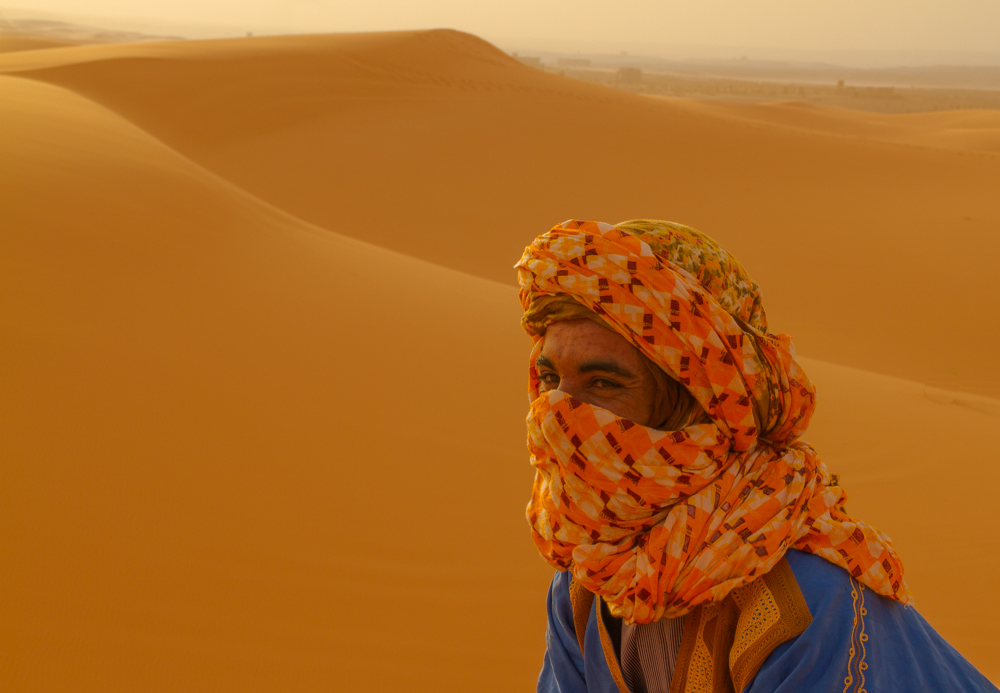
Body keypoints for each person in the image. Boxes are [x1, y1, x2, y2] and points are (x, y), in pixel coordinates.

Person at [516, 219, 996, 693]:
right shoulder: (588, 578)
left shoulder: (804, 597)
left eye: (604, 383)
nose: (559, 413)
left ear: (696, 400)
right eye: (551, 379)